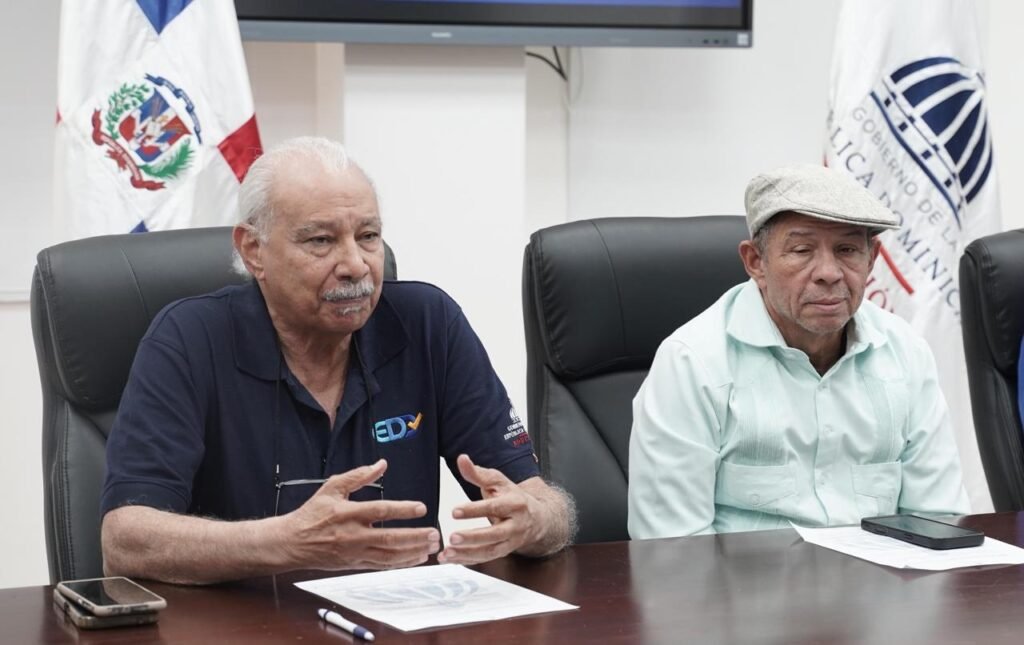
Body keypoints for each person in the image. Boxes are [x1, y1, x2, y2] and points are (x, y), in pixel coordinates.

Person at [101, 137, 576, 584]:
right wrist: (285, 543)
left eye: (368, 236)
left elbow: (543, 503)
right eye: (321, 241)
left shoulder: (429, 324)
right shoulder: (187, 339)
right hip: (245, 622)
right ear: (253, 250)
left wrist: (535, 523)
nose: (355, 264)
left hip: (401, 618)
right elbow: (125, 540)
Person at [628, 164, 969, 538]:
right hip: (742, 577)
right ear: (755, 262)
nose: (829, 272)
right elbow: (672, 547)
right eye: (802, 250)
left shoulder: (906, 352)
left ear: (872, 259)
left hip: (884, 576)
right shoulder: (693, 362)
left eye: (847, 250)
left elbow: (938, 520)